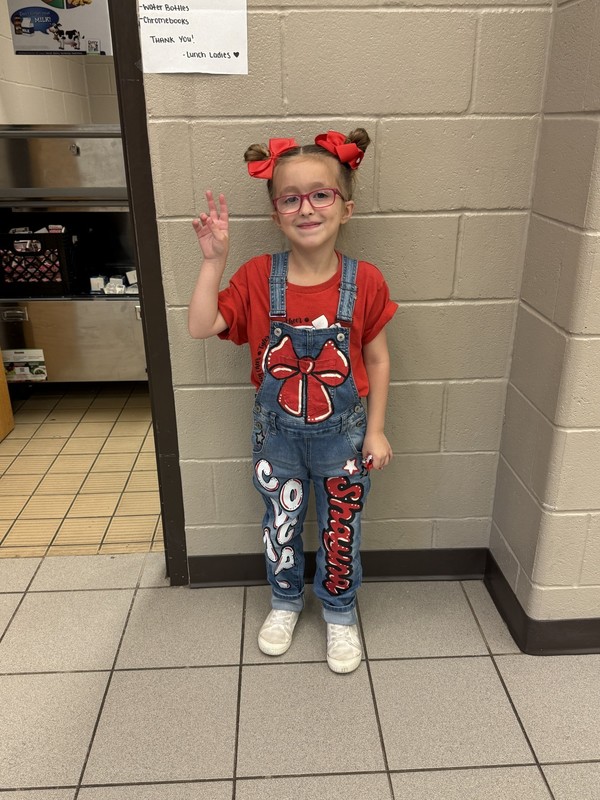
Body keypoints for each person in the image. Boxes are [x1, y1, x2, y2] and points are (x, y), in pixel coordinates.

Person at [188, 129, 397, 673]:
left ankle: (339, 611)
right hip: (276, 438)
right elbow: (201, 325)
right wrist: (214, 261)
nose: (306, 208)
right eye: (290, 198)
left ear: (346, 207)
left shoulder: (366, 281)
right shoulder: (258, 277)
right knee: (280, 525)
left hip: (345, 438)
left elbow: (377, 360)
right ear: (276, 213)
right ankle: (284, 602)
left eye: (321, 194)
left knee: (340, 528)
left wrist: (376, 430)